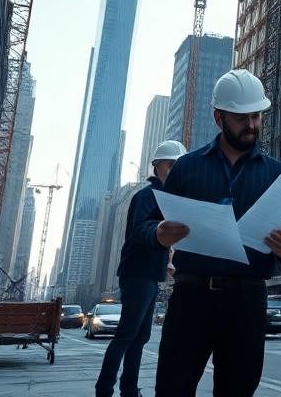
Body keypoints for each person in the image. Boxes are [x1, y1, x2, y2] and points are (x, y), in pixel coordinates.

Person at [135, 69, 281, 397]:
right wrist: (158, 232)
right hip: (191, 299)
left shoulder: (277, 174)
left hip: (248, 301)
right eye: (242, 118)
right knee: (172, 388)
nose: (252, 125)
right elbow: (147, 226)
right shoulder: (186, 168)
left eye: (257, 116)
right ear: (218, 117)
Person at [95, 139, 185, 397]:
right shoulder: (148, 195)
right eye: (171, 165)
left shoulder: (165, 198)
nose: (175, 171)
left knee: (139, 338)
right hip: (138, 274)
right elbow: (140, 232)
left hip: (150, 275)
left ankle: (129, 390)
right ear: (157, 166)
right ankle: (104, 390)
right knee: (126, 336)